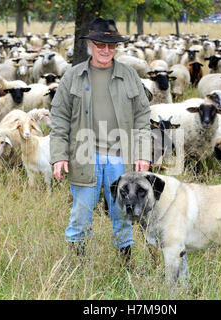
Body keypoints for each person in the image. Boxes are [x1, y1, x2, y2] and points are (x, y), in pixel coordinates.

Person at [49, 18, 151, 264]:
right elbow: (59, 117)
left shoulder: (129, 76)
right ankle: (78, 266)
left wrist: (142, 153)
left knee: (124, 213)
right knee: (81, 213)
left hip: (121, 157)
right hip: (85, 156)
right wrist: (59, 155)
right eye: (100, 44)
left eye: (111, 46)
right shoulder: (73, 76)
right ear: (90, 46)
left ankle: (126, 265)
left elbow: (142, 116)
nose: (106, 50)